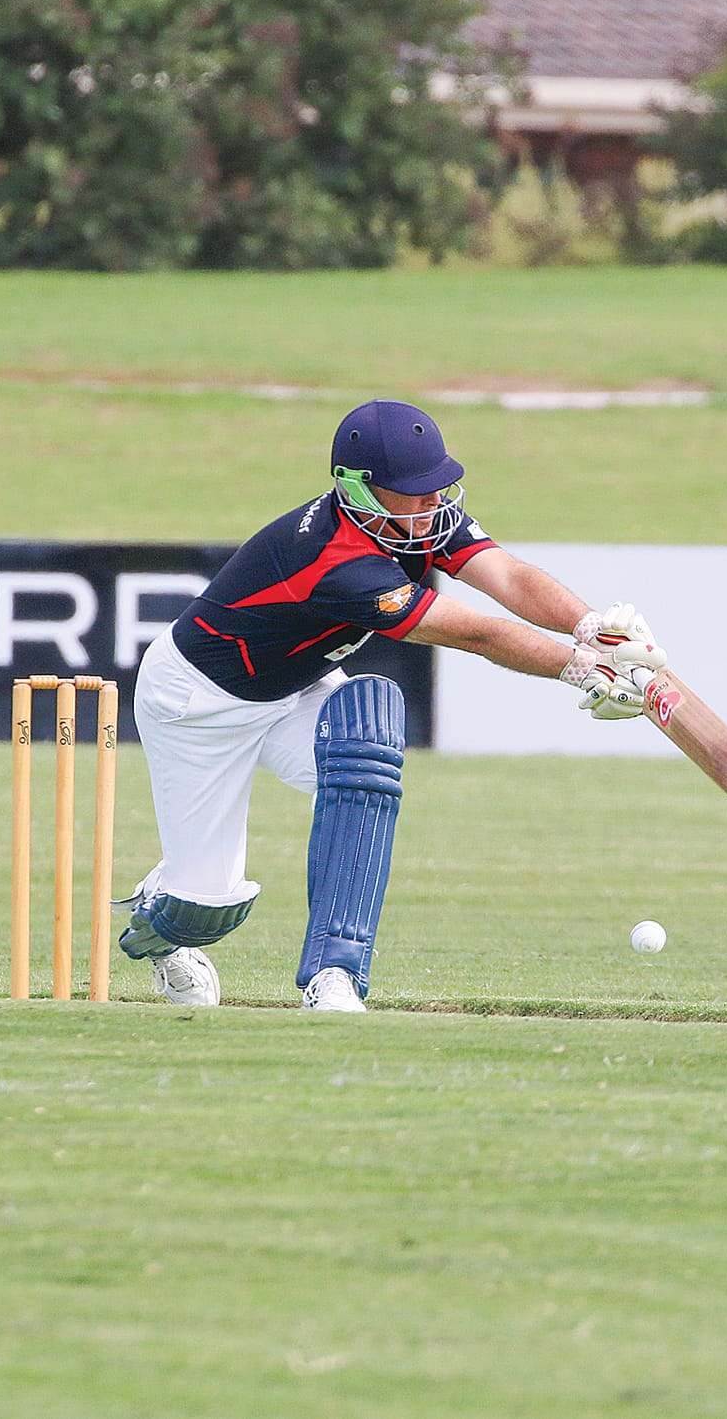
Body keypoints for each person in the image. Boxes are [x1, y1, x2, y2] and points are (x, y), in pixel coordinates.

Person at [117, 398, 666, 1011]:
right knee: (204, 913)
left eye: (439, 487)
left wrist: (591, 626)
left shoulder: (418, 518)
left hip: (294, 689)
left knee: (368, 739)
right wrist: (580, 669)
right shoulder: (334, 561)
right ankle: (158, 914)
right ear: (359, 489)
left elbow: (508, 576)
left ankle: (334, 976)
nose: (434, 503)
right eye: (415, 492)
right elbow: (474, 633)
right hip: (199, 704)